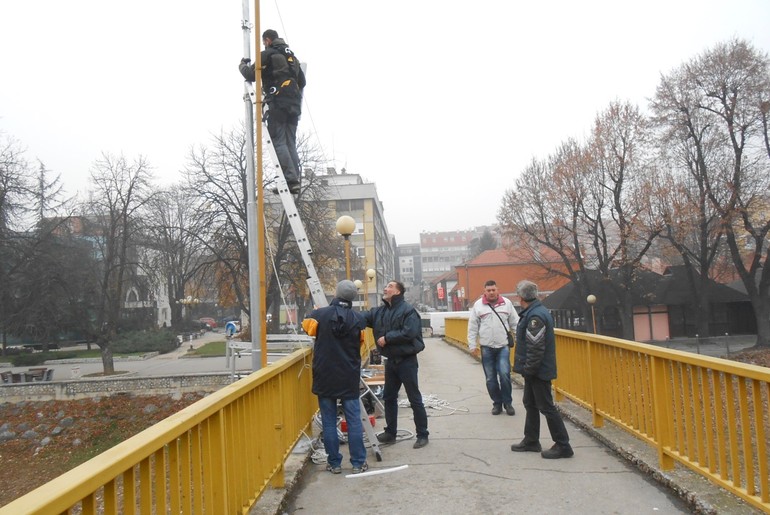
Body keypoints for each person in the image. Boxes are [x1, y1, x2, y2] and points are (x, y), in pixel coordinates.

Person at [301, 280, 370, 474]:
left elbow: (306, 328)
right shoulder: (359, 319)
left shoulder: (319, 315)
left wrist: (316, 312)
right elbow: (361, 343)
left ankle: (334, 463)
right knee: (354, 420)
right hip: (348, 374)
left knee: (329, 420)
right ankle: (358, 463)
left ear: (336, 294)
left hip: (325, 374)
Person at [510, 280, 574, 459]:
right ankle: (531, 440)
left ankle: (563, 445)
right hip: (535, 369)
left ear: (521, 297)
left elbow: (536, 347)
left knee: (546, 407)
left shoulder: (534, 317)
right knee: (530, 403)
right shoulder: (536, 312)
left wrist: (529, 369)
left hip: (538, 370)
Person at [363, 280, 429, 449]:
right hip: (391, 361)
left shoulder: (408, 311)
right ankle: (390, 433)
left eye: (390, 286)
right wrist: (339, 311)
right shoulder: (381, 312)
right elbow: (362, 317)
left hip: (407, 361)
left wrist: (387, 338)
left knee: (414, 398)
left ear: (398, 292)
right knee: (389, 397)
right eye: (386, 286)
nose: (386, 288)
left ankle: (422, 435)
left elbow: (410, 332)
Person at [239, 29, 306, 194]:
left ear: (267, 40)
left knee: (279, 142)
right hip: (294, 105)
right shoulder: (292, 57)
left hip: (278, 103)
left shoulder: (268, 54)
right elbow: (302, 81)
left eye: (263, 42)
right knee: (290, 143)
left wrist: (242, 64)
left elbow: (250, 74)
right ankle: (294, 180)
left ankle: (289, 179)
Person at [467, 280, 519, 416]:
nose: (491, 292)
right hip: (486, 347)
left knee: (504, 375)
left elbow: (515, 323)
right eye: (488, 290)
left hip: (503, 346)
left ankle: (508, 403)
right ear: (484, 292)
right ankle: (497, 403)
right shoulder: (478, 306)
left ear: (498, 290)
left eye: (493, 290)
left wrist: (520, 341)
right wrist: (472, 345)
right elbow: (472, 327)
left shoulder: (506, 304)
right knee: (490, 378)